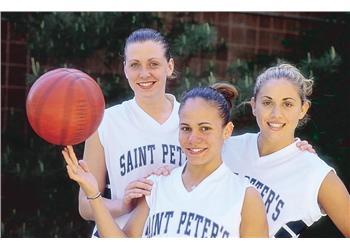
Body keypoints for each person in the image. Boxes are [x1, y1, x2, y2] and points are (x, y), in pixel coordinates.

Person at [62, 84, 269, 237]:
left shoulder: (244, 196)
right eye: (186, 128)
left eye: (205, 128)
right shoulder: (159, 185)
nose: (193, 139)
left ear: (227, 131)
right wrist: (93, 193)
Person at [79, 28, 186, 237]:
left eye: (153, 64)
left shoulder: (191, 121)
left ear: (169, 66)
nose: (144, 74)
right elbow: (85, 205)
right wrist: (124, 204)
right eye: (135, 65)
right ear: (125, 69)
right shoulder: (105, 122)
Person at [222, 63, 350, 237]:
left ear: (302, 109)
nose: (276, 114)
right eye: (267, 102)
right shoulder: (227, 148)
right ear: (254, 105)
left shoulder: (316, 174)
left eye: (287, 104)